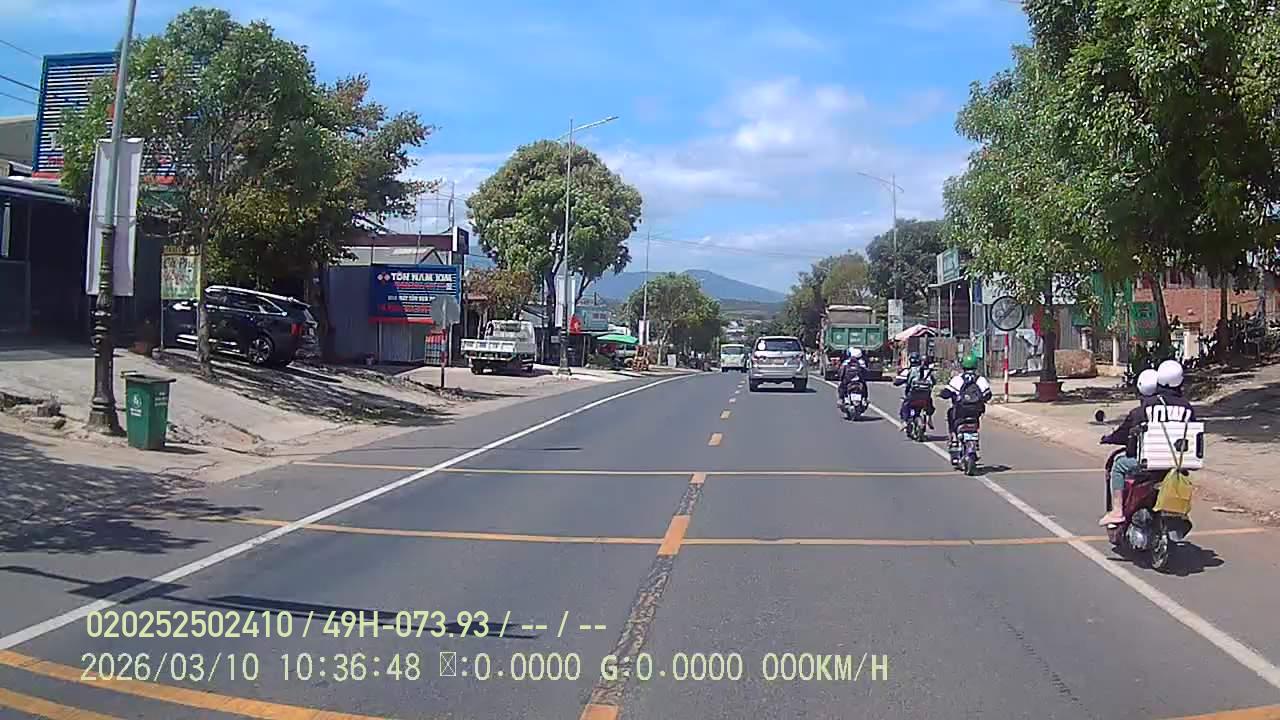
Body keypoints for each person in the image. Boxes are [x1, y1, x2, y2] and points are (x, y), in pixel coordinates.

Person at [1097, 365, 1196, 525]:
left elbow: (1128, 434)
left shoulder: (1146, 407)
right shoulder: (1187, 408)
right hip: (1178, 464)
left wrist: (1108, 439)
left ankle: (1117, 511)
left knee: (1118, 465)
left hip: (1148, 463)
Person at [940, 355, 993, 461]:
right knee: (975, 421)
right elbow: (988, 395)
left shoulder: (957, 379)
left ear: (963, 365)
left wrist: (944, 394)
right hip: (976, 412)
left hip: (960, 411)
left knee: (950, 413)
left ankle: (954, 438)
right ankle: (974, 443)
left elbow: (946, 393)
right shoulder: (981, 380)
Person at [893, 352, 936, 430]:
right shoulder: (927, 371)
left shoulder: (909, 371)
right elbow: (934, 382)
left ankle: (904, 422)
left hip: (913, 396)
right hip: (925, 397)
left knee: (905, 405)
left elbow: (897, 382)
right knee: (929, 403)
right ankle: (929, 419)